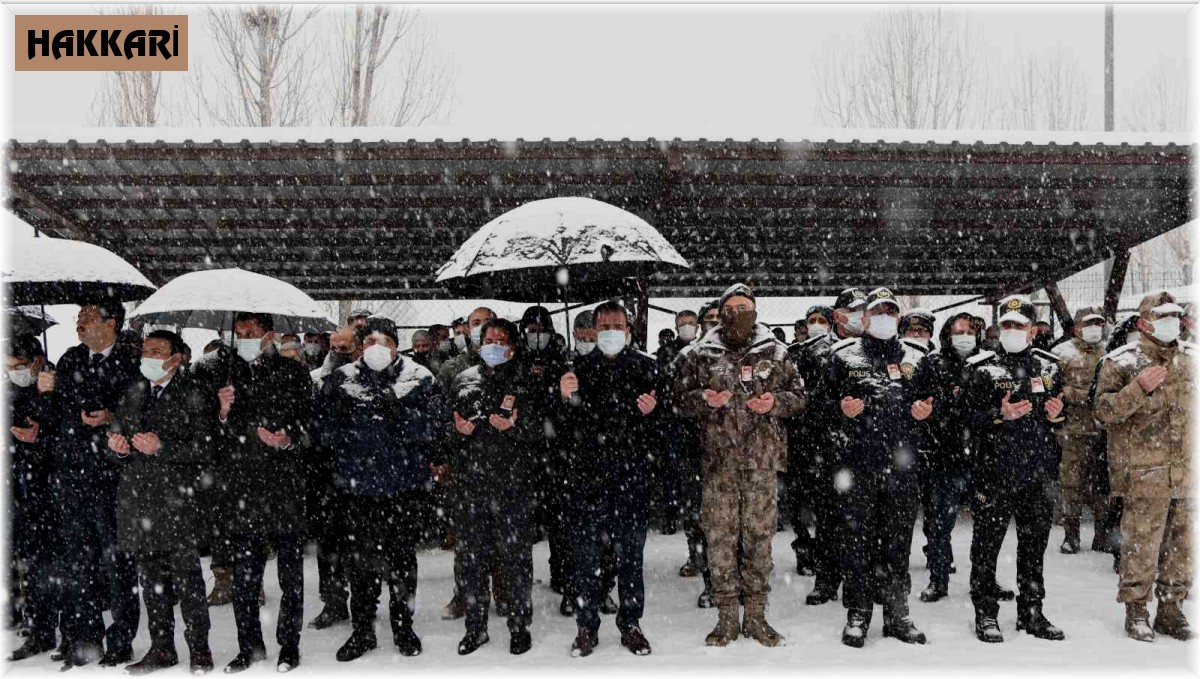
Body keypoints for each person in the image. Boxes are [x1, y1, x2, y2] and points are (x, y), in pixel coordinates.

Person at [677, 283, 806, 647]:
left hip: (761, 463)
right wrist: (703, 399)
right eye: (731, 307)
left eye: (745, 306)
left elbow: (800, 397)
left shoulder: (776, 352)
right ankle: (726, 618)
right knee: (719, 541)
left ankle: (756, 616)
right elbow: (678, 399)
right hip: (718, 464)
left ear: (755, 310)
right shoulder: (700, 354)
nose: (738, 312)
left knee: (759, 542)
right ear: (721, 312)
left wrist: (775, 402)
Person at [318, 317, 441, 662]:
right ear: (360, 346)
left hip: (402, 487)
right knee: (360, 564)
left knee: (402, 562)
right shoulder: (340, 380)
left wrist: (400, 412)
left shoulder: (419, 378)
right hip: (357, 489)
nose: (377, 347)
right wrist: (342, 424)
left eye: (384, 341)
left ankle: (403, 625)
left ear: (396, 345)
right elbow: (322, 434)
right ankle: (363, 630)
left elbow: (433, 428)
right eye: (370, 340)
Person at [826, 288, 934, 648]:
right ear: (866, 318)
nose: (885, 317)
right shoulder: (842, 356)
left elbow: (937, 408)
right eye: (878, 311)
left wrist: (927, 414)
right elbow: (819, 408)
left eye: (891, 311)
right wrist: (840, 411)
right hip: (858, 466)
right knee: (856, 543)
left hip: (902, 468)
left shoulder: (918, 358)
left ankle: (897, 611)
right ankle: (857, 612)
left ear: (898, 318)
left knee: (898, 541)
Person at [38, 301, 141, 668]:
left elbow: (143, 411)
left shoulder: (131, 362)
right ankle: (85, 635)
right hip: (72, 473)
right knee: (78, 560)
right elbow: (53, 418)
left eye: (88, 317)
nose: (80, 323)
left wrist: (114, 416)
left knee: (117, 561)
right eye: (78, 318)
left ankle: (121, 637)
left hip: (112, 475)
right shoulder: (68, 360)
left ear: (111, 324)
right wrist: (46, 391)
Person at [107, 330, 214, 674]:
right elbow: (118, 437)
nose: (148, 356)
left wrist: (162, 447)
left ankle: (200, 649)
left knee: (188, 581)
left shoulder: (195, 393)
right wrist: (118, 449)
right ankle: (162, 647)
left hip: (178, 502)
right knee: (151, 583)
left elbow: (207, 450)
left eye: (157, 350)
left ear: (176, 357)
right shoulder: (133, 392)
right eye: (145, 350)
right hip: (139, 500)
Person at [212, 312, 314, 673]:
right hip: (242, 488)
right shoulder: (222, 373)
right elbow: (210, 437)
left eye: (251, 332)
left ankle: (289, 644)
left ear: (269, 334)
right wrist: (222, 411)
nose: (243, 337)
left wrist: (287, 439)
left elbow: (308, 427)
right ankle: (249, 646)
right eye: (238, 332)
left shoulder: (294, 372)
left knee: (291, 576)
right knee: (245, 578)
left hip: (284, 485)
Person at [963, 295, 1066, 644]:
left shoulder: (1050, 367)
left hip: (1038, 473)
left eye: (1019, 325)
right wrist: (998, 415)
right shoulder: (982, 367)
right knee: (986, 546)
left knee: (1034, 546)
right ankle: (986, 612)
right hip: (994, 472)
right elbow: (964, 419)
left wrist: (1057, 415)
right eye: (1006, 325)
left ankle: (1032, 612)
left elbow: (1062, 415)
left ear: (1033, 330)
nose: (1012, 331)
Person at [558, 300, 658, 657]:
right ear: (594, 331)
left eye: (617, 326)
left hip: (630, 480)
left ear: (629, 331)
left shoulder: (648, 369)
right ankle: (586, 626)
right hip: (587, 482)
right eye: (604, 327)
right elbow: (560, 432)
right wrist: (564, 398)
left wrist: (653, 414)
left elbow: (664, 432)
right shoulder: (576, 370)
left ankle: (630, 623)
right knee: (586, 559)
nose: (610, 333)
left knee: (630, 558)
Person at [1094, 291, 1194, 642]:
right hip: (1144, 473)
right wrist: (1137, 389)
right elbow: (1103, 412)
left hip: (1187, 473)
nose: (1171, 321)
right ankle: (1136, 610)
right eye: (1162, 316)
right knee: (1141, 546)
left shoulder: (1192, 359)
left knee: (1183, 548)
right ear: (1143, 322)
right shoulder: (1122, 361)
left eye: (1174, 315)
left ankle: (1171, 609)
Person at [448, 318, 540, 656]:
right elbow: (444, 430)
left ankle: (519, 626)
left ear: (513, 347)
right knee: (472, 561)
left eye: (501, 340)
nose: (494, 344)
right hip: (472, 486)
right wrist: (457, 432)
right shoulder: (462, 381)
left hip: (514, 486)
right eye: (489, 338)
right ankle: (476, 627)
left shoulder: (527, 382)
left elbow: (542, 433)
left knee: (516, 560)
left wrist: (515, 428)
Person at [790, 289, 867, 607]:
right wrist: (838, 409)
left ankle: (859, 579)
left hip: (864, 447)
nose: (859, 316)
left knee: (863, 519)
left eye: (863, 310)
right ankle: (826, 579)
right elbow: (811, 401)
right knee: (829, 517)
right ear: (839, 316)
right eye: (853, 310)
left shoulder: (872, 349)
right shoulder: (815, 351)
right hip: (825, 446)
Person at [436, 307, 500, 620]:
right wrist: (449, 445)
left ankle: (503, 591)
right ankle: (465, 594)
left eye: (487, 323)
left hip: (502, 465)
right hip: (464, 463)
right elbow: (440, 418)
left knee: (502, 535)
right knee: (467, 537)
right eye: (475, 323)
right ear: (465, 329)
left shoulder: (508, 365)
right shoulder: (452, 370)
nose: (481, 329)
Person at [917, 312, 981, 603]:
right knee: (941, 522)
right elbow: (923, 402)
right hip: (946, 454)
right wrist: (949, 402)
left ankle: (984, 580)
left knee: (987, 523)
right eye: (958, 331)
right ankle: (938, 578)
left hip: (983, 455)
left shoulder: (987, 362)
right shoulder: (932, 363)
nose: (965, 335)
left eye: (970, 330)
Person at [6, 335, 60, 663]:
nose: (15, 372)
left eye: (21, 366)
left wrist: (38, 436)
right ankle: (33, 619)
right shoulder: (10, 390)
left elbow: (61, 432)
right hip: (17, 487)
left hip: (50, 488)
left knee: (48, 564)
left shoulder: (56, 385)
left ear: (38, 360)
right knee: (23, 559)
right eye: (9, 368)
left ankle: (50, 627)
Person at [305, 326, 361, 631]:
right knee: (329, 543)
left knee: (362, 543)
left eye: (346, 346)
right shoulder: (315, 380)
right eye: (335, 345)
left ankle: (364, 602)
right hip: (325, 473)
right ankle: (333, 600)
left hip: (360, 473)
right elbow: (309, 426)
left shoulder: (367, 379)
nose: (340, 350)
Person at [668, 303, 718, 609]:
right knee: (700, 518)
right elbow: (677, 401)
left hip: (734, 454)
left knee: (732, 524)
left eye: (718, 318)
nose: (713, 324)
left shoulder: (743, 354)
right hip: (695, 449)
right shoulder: (689, 357)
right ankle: (709, 577)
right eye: (708, 320)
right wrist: (703, 399)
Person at [1053, 306, 1110, 555]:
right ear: (1077, 327)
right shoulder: (1061, 354)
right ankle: (1071, 535)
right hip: (1073, 431)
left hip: (1103, 431)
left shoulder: (1110, 352)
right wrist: (1080, 395)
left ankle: (1102, 534)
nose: (1094, 328)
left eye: (1098, 323)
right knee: (1071, 485)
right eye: (1089, 324)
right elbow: (1055, 389)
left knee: (1101, 486)